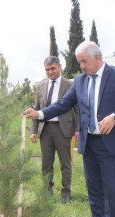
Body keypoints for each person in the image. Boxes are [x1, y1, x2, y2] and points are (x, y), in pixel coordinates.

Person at [22, 41, 115, 217]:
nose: (82, 66)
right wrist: (40, 114)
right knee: (94, 188)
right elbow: (63, 104)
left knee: (111, 189)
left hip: (110, 143)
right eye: (79, 62)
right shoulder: (80, 81)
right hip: (89, 143)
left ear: (97, 57)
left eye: (84, 61)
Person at [30, 56, 79, 203]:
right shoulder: (41, 86)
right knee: (46, 164)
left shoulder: (70, 85)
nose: (50, 72)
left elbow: (78, 109)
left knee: (65, 163)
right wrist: (33, 130)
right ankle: (47, 191)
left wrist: (78, 129)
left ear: (59, 67)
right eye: (47, 69)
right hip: (46, 130)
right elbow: (36, 110)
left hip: (64, 129)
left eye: (53, 68)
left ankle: (66, 193)